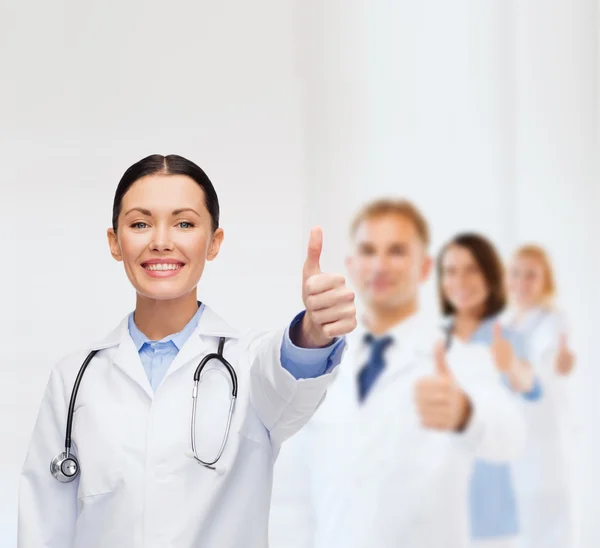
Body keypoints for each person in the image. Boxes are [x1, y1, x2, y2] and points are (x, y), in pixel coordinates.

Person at [17, 154, 357, 548]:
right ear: (115, 242)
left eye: (184, 223)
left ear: (214, 242)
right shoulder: (74, 378)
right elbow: (43, 526)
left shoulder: (248, 364)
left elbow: (289, 373)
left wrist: (313, 331)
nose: (161, 242)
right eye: (140, 223)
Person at [269, 199, 525, 548]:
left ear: (424, 267)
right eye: (368, 251)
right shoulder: (320, 362)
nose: (380, 264)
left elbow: (509, 436)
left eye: (397, 251)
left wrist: (465, 414)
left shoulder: (459, 357)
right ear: (351, 266)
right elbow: (293, 493)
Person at [437, 233, 542, 548]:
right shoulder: (433, 340)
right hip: (436, 505)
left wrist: (511, 366)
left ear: (490, 275)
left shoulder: (506, 337)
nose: (460, 281)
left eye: (472, 270)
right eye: (451, 271)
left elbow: (531, 386)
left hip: (490, 511)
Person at [502, 244, 575, 548]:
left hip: (544, 450)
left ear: (546, 280)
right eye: (516, 274)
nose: (522, 283)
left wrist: (558, 363)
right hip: (513, 451)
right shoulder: (505, 325)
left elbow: (550, 365)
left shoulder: (553, 321)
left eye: (531, 275)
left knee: (548, 530)